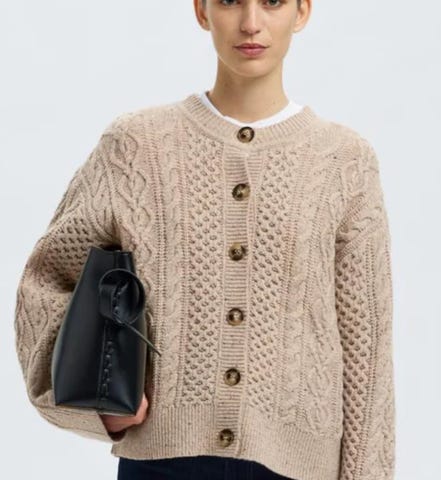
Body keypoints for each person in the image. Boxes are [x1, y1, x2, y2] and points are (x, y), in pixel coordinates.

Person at [14, 0, 396, 479]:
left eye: (272, 2)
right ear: (201, 10)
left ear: (301, 11)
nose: (251, 23)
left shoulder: (345, 161)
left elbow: (366, 348)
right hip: (161, 464)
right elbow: (47, 278)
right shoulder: (136, 145)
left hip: (299, 469)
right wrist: (94, 404)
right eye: (231, 1)